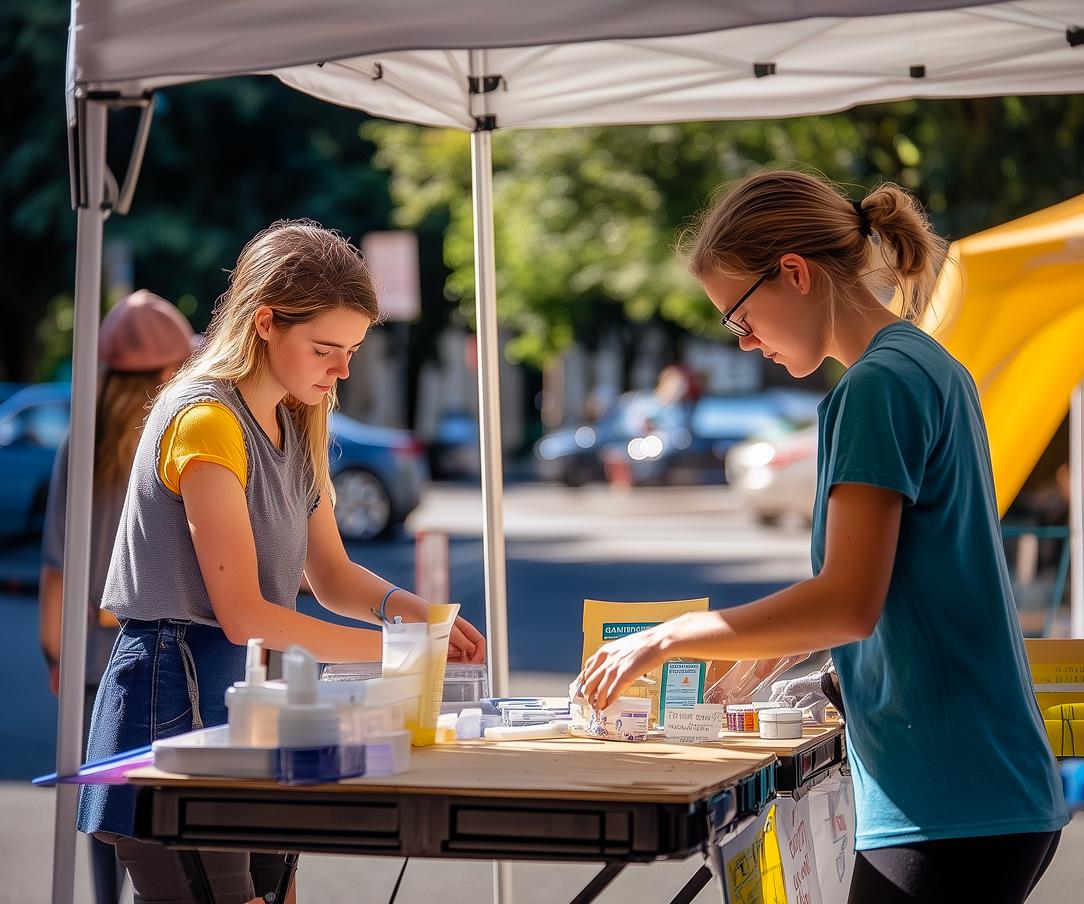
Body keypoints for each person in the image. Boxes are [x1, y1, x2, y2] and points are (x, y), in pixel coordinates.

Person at [575, 170, 1068, 904]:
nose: (745, 343)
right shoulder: (927, 365)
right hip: (983, 787)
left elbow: (847, 603)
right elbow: (903, 583)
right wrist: (775, 653)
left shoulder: (874, 389)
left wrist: (670, 636)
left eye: (740, 318)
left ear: (795, 274)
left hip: (949, 798)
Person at [77, 219, 487, 904]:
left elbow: (330, 575)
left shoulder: (298, 420)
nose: (343, 370)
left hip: (248, 703)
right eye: (326, 348)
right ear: (264, 322)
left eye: (353, 350)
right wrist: (397, 658)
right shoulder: (206, 419)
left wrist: (416, 616)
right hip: (170, 699)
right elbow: (244, 616)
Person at [40, 289, 197, 904]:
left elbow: (57, 569)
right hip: (175, 661)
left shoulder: (76, 447)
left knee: (106, 830)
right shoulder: (180, 440)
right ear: (171, 369)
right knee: (176, 840)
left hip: (94, 665)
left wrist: (58, 656)